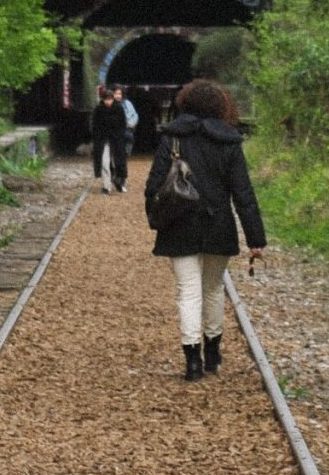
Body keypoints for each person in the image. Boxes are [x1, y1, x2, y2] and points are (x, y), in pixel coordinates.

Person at [142, 78, 266, 381]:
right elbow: (243, 193)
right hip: (218, 223)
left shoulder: (172, 138)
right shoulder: (229, 141)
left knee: (188, 292)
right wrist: (255, 239)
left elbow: (153, 185)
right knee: (213, 289)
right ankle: (212, 354)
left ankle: (192, 361)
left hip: (179, 224)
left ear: (185, 103)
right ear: (219, 106)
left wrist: (156, 216)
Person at [91, 85, 130, 193]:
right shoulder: (98, 110)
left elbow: (123, 125)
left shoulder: (119, 109)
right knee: (104, 162)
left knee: (117, 163)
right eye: (106, 99)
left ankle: (119, 182)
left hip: (116, 140)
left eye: (110, 99)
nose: (108, 102)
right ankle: (106, 185)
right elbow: (94, 126)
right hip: (103, 140)